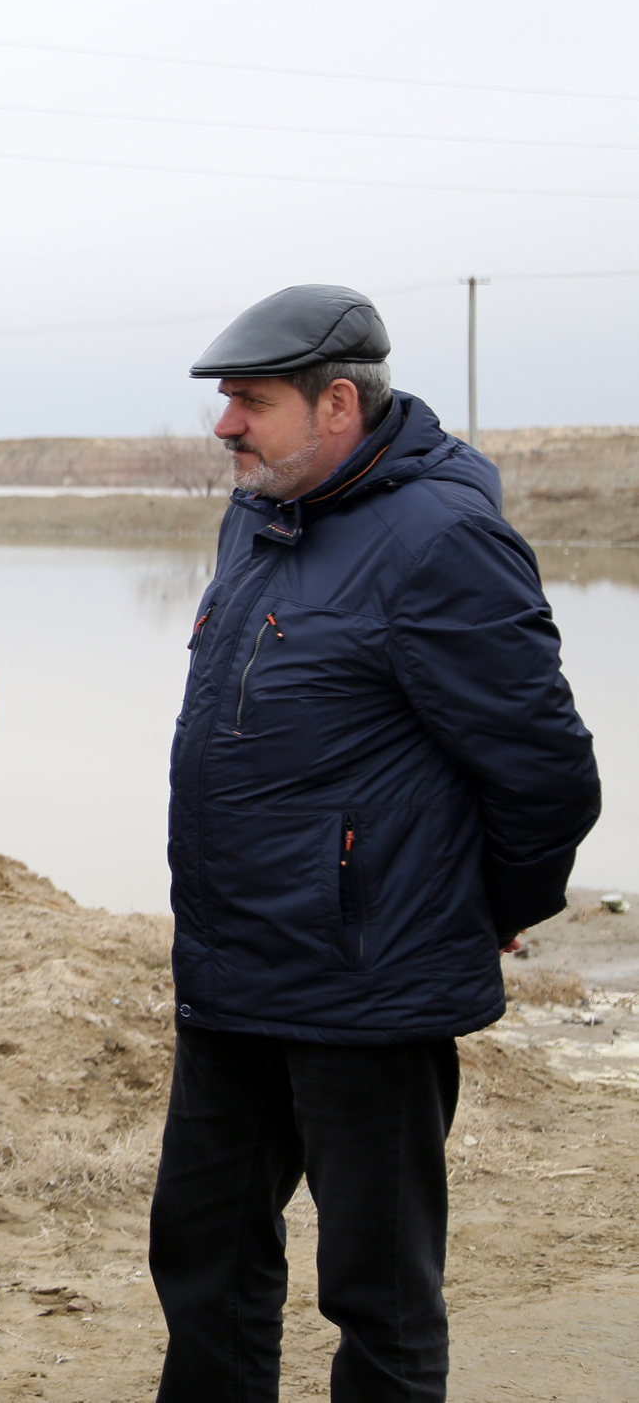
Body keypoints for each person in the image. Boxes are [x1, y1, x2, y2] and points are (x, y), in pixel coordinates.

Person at [152, 284, 600, 1403]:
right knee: (202, 1259)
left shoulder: (441, 539)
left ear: (338, 403)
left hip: (371, 985)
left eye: (250, 403)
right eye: (225, 401)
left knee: (378, 1291)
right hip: (232, 970)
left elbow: (545, 770)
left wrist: (485, 908)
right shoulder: (260, 512)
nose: (225, 426)